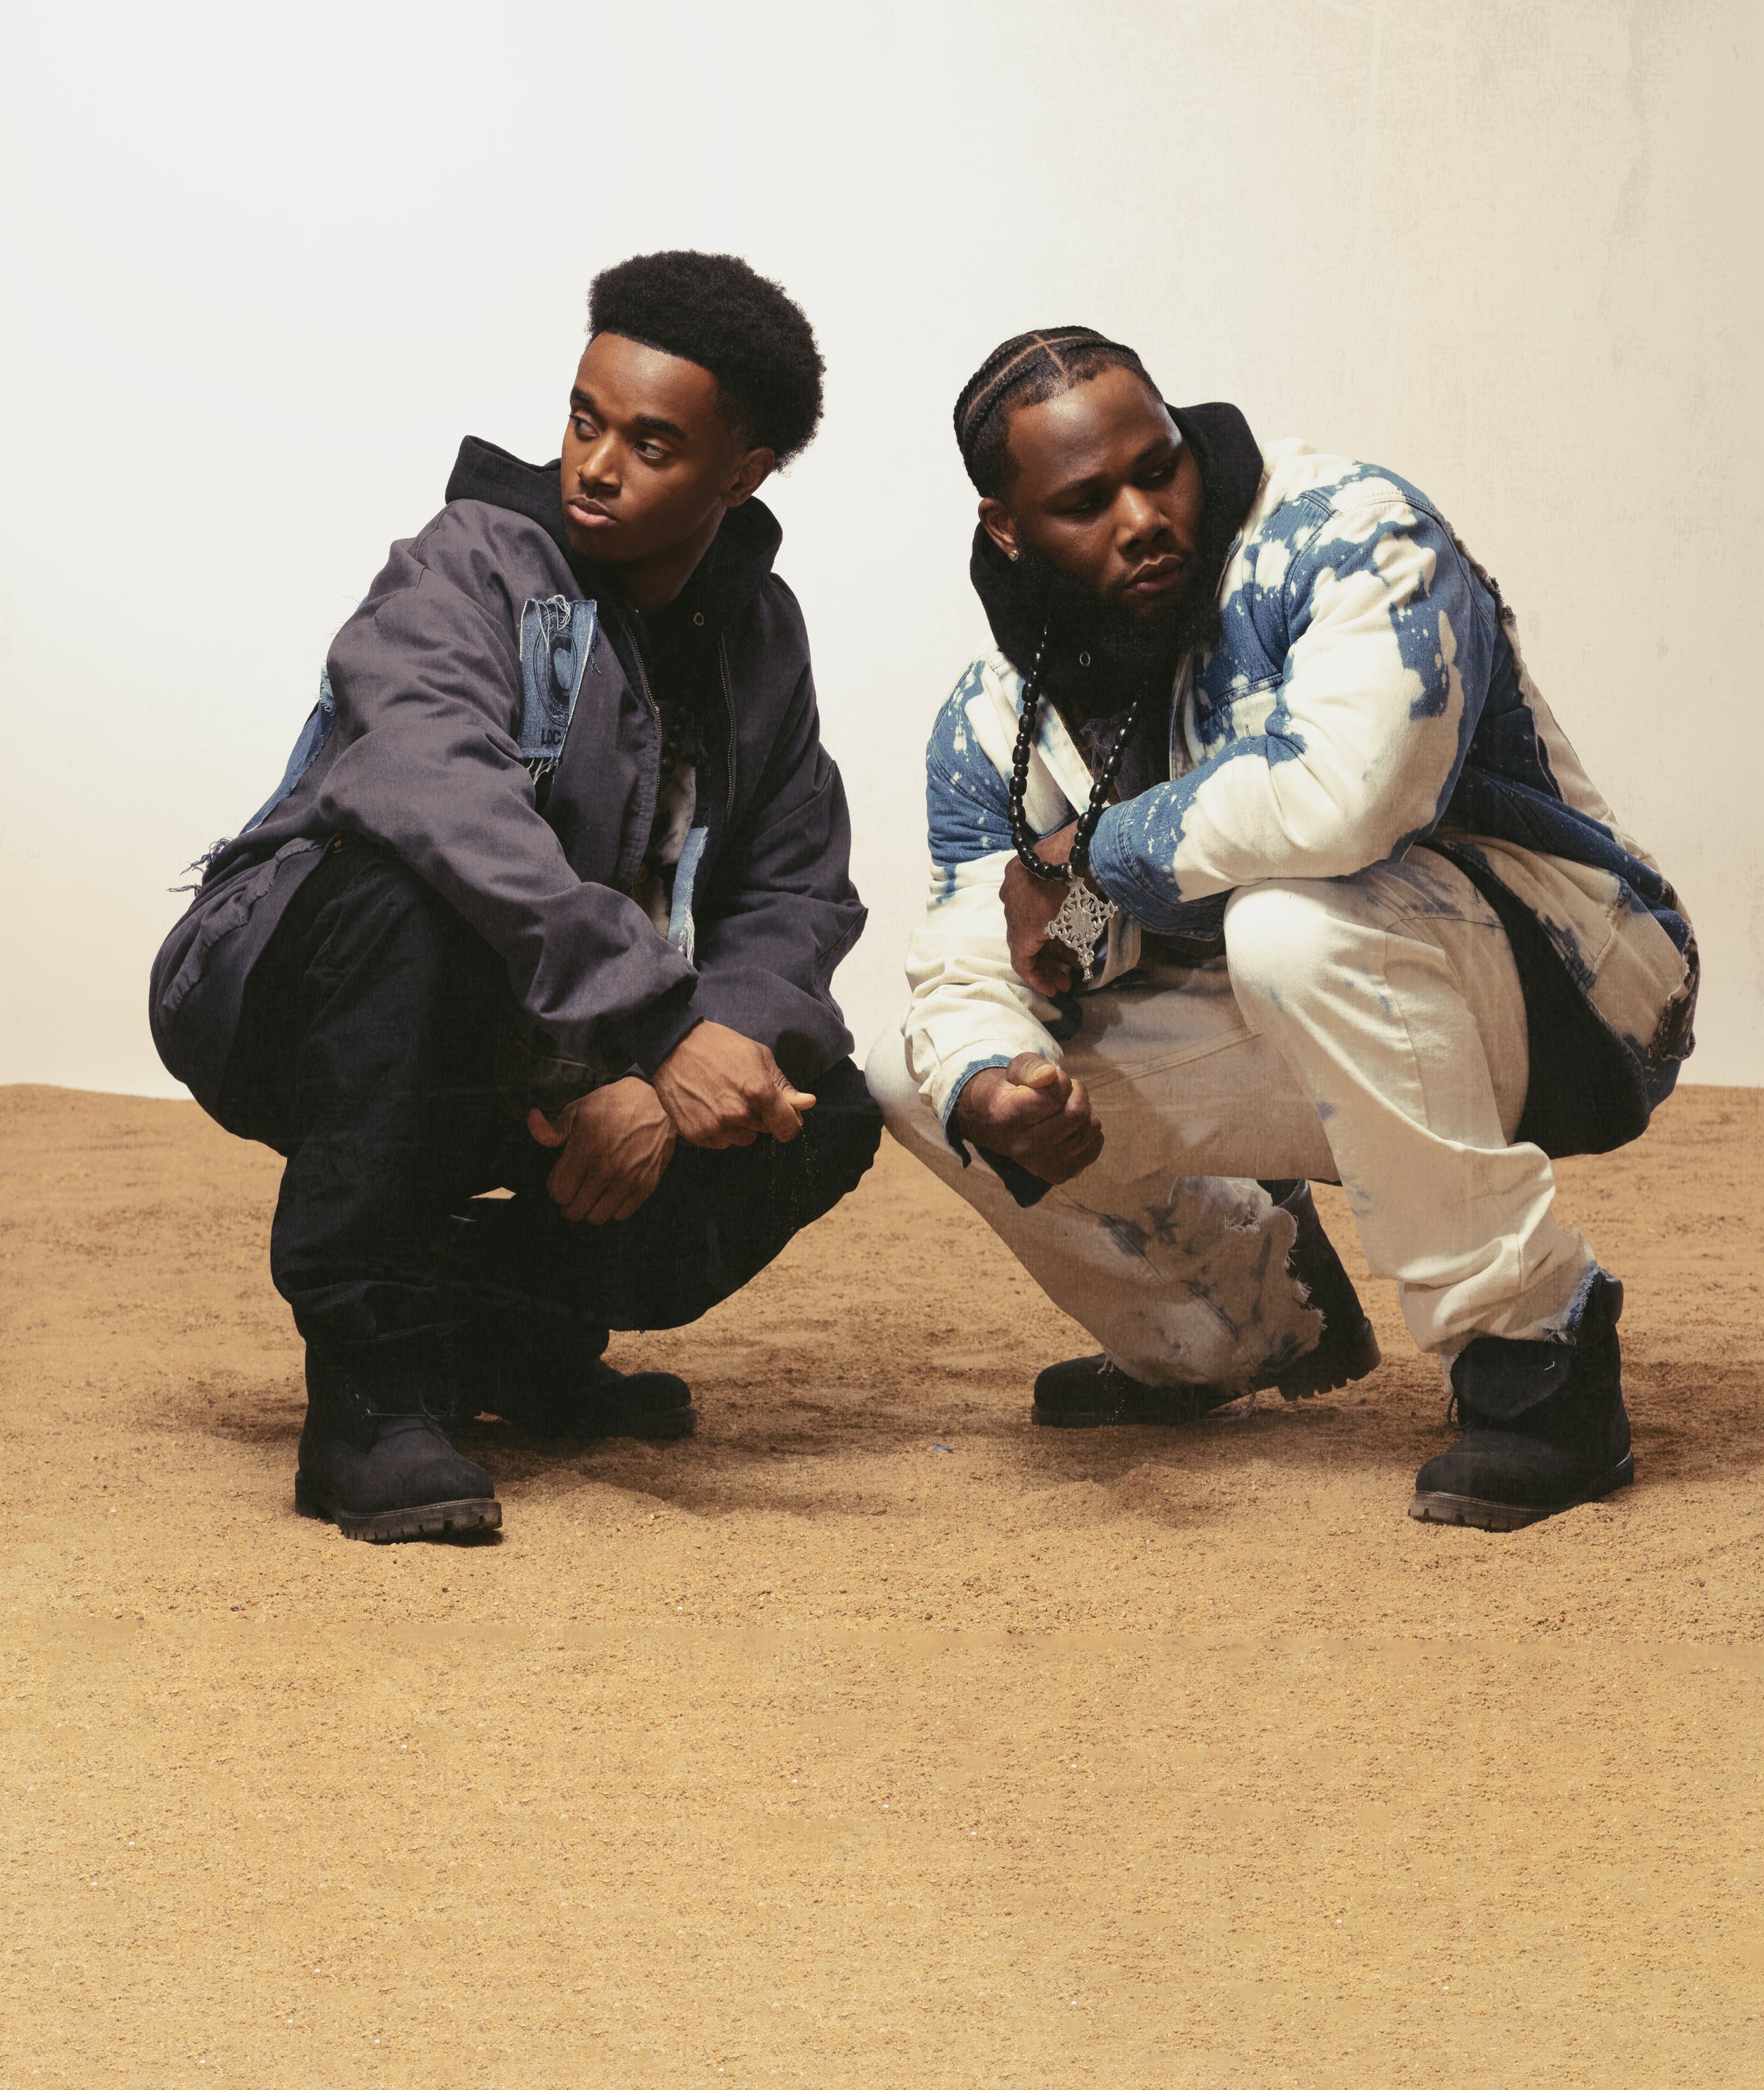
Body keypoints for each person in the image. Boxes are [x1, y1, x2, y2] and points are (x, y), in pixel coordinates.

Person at [867, 328, 1697, 1531]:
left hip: (1569, 979)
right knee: (921, 1071)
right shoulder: (1001, 710)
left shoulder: (1349, 532)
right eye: (1088, 503)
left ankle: (1537, 1355)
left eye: (1159, 468)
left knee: (1289, 921)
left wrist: (1094, 853)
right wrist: (998, 1075)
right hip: (1313, 1009)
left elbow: (1351, 794)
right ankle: (1240, 1317)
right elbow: (979, 941)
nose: (1145, 519)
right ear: (1006, 526)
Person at [152, 251, 881, 1544]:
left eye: (650, 443)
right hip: (296, 990)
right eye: (584, 419)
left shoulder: (762, 635)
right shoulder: (470, 562)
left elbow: (795, 888)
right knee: (408, 897)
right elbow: (429, 790)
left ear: (743, 472)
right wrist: (648, 1027)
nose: (593, 465)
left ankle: (509, 1339)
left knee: (817, 1111)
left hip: (559, 1041)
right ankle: (367, 1392)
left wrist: (677, 1065)